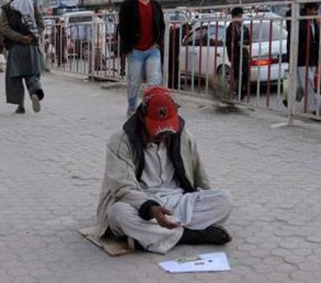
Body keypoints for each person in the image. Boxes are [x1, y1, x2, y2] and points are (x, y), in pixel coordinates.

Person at [95, 86, 234, 254]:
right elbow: (122, 188)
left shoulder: (183, 136)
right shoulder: (120, 141)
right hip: (140, 204)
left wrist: (206, 198)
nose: (163, 135)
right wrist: (151, 209)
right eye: (157, 129)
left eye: (167, 128)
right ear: (142, 117)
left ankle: (150, 237)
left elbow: (200, 176)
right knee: (119, 214)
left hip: (177, 200)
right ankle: (191, 236)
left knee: (225, 200)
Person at [118, 0, 166, 116]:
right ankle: (132, 108)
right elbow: (122, 28)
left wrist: (158, 43)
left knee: (154, 82)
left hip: (153, 50)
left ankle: (149, 108)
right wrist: (128, 48)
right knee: (134, 83)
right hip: (135, 51)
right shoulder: (127, 5)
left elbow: (161, 26)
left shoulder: (156, 5)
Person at [1, 0, 45, 114]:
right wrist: (32, 36)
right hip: (31, 46)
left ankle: (20, 105)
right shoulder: (32, 4)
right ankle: (34, 93)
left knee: (16, 78)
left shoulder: (6, 8)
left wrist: (19, 37)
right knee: (32, 74)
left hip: (15, 47)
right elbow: (40, 24)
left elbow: (5, 28)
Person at [286, 2, 320, 114]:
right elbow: (289, 15)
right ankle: (313, 109)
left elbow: (316, 40)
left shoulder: (315, 22)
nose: (316, 13)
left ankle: (292, 100)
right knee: (308, 84)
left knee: (306, 84)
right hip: (301, 59)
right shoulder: (298, 20)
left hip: (312, 58)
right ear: (308, 10)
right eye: (315, 10)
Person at [224, 7, 251, 100]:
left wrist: (244, 42)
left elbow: (249, 40)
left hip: (244, 54)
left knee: (245, 74)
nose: (241, 18)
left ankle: (242, 94)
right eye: (239, 16)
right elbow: (228, 44)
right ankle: (236, 94)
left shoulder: (244, 28)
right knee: (236, 75)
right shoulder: (230, 29)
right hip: (235, 55)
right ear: (234, 17)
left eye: (241, 16)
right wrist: (232, 55)